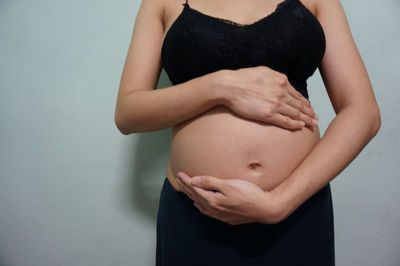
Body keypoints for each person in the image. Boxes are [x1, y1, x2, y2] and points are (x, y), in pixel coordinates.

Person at [114, 0, 381, 265]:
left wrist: (279, 203)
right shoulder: (161, 2)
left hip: (298, 207)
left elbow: (362, 112)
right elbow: (128, 113)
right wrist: (221, 86)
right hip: (197, 211)